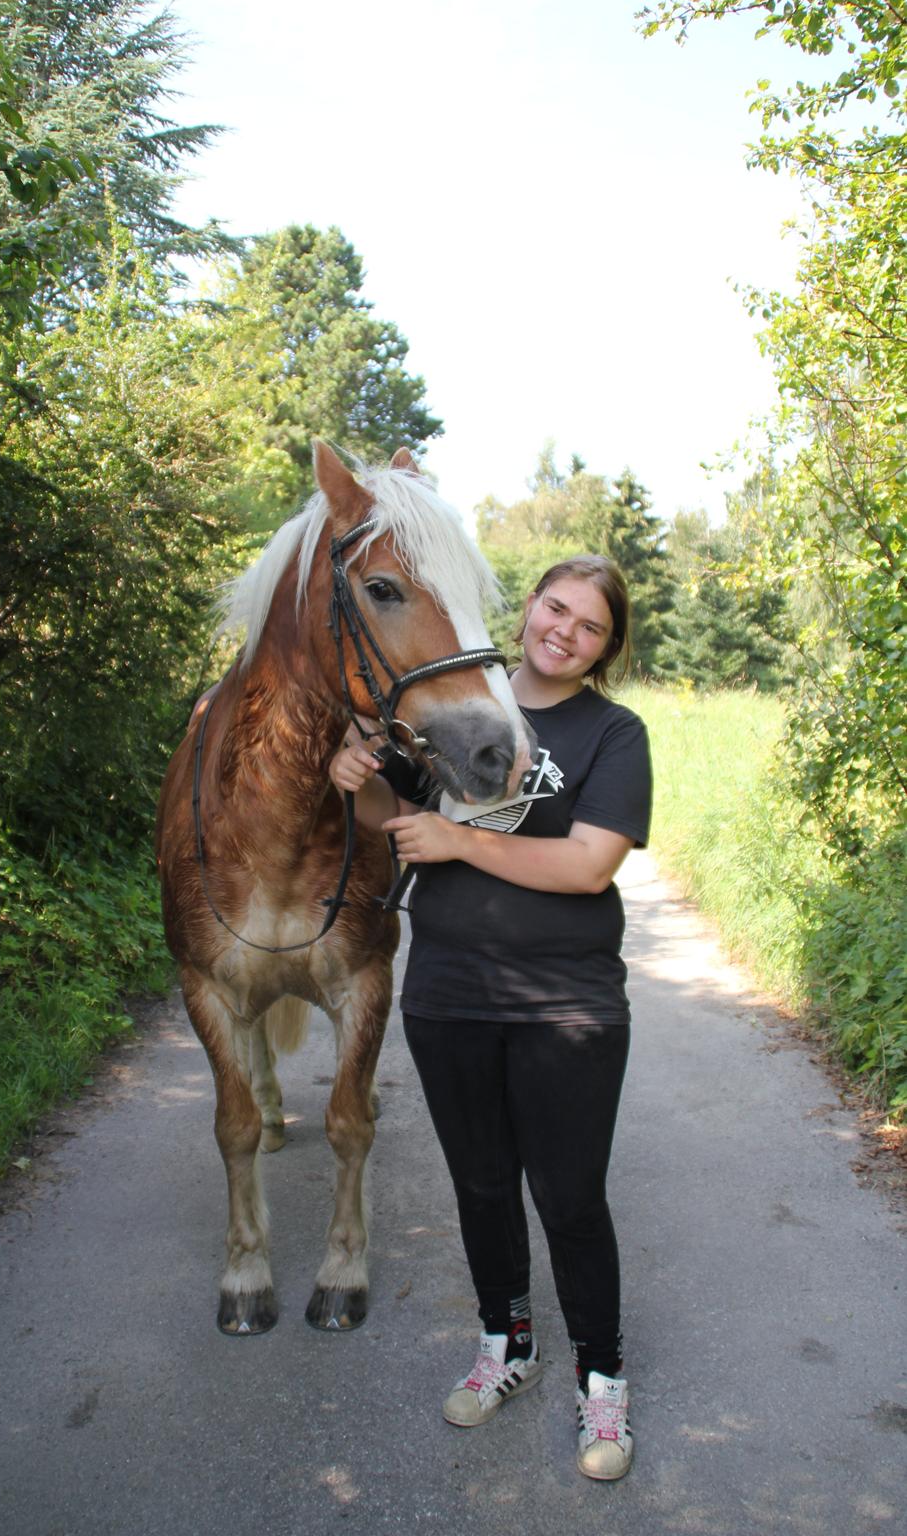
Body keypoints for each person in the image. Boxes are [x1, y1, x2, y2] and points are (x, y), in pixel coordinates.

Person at [329, 554, 652, 1482]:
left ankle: (602, 1381)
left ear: (605, 646)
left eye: (590, 625)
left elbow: (590, 865)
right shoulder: (447, 700)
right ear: (529, 608)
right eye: (556, 608)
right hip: (448, 993)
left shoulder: (612, 733)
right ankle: (506, 1346)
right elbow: (393, 815)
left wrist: (459, 843)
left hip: (568, 1002)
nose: (565, 631)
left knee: (570, 1199)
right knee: (479, 1185)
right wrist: (355, 773)